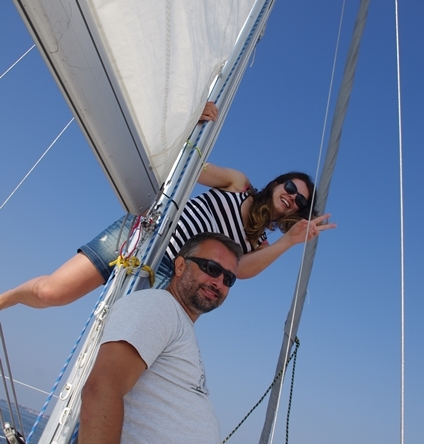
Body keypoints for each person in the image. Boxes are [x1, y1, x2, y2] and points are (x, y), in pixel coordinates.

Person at [79, 232, 302, 444]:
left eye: (228, 278)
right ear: (180, 266)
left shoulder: (177, 323)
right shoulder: (158, 306)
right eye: (211, 268)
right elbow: (101, 389)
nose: (219, 282)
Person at [0, 102, 335, 311]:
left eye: (300, 200)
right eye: (290, 187)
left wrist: (289, 242)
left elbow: (242, 271)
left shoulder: (258, 244)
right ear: (277, 183)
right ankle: (9, 297)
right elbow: (190, 167)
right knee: (51, 293)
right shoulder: (239, 184)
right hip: (144, 234)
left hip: (170, 273)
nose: (292, 196)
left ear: (296, 211)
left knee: (115, 341)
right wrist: (192, 122)